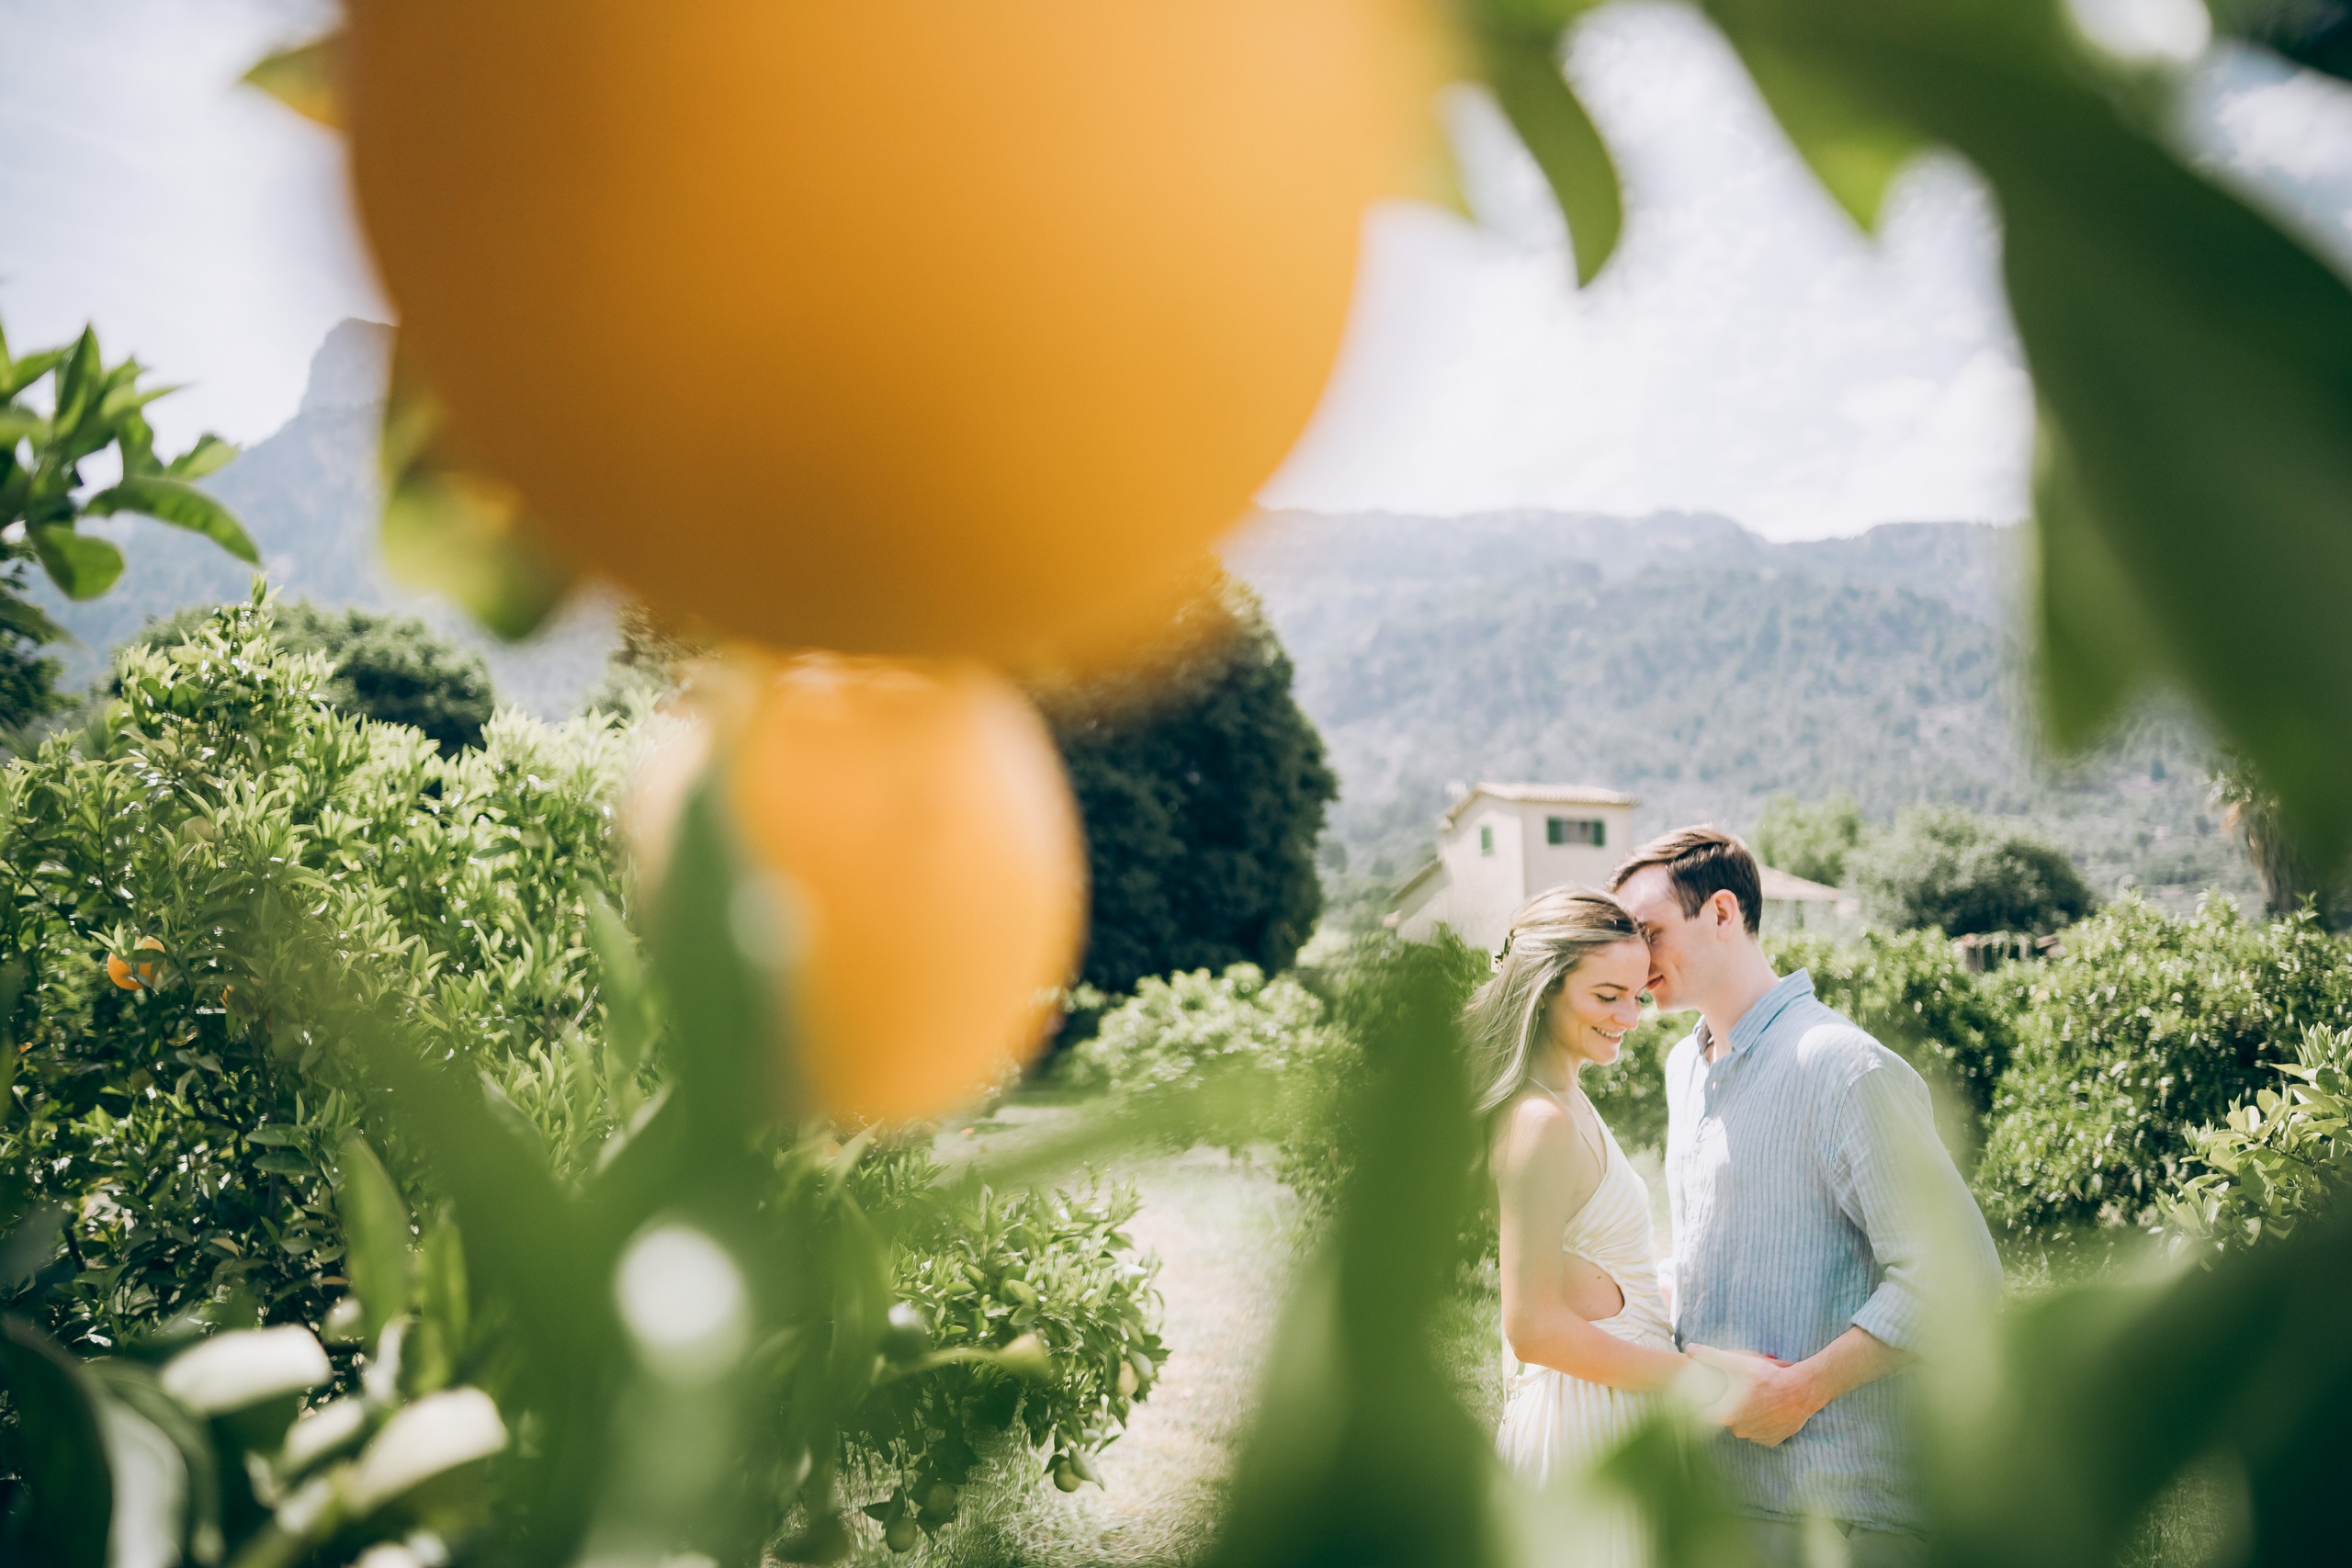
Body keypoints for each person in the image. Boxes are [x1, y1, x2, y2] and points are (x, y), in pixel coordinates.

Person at [1609, 828, 2002, 1568]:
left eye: (1650, 933)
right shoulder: (1681, 1070)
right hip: (1717, 1493)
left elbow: (1960, 1275)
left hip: (1844, 1507)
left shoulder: (1843, 1066)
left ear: (1723, 912)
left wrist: (1801, 1391)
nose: (1636, 960)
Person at [1471, 886, 1744, 1564]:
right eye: (1606, 995)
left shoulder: (1563, 1098)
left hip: (1609, 1403)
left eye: (1636, 995)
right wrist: (1694, 1383)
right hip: (1583, 1423)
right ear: (1545, 990)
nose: (1629, 1014)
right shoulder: (1541, 1120)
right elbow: (1531, 1325)